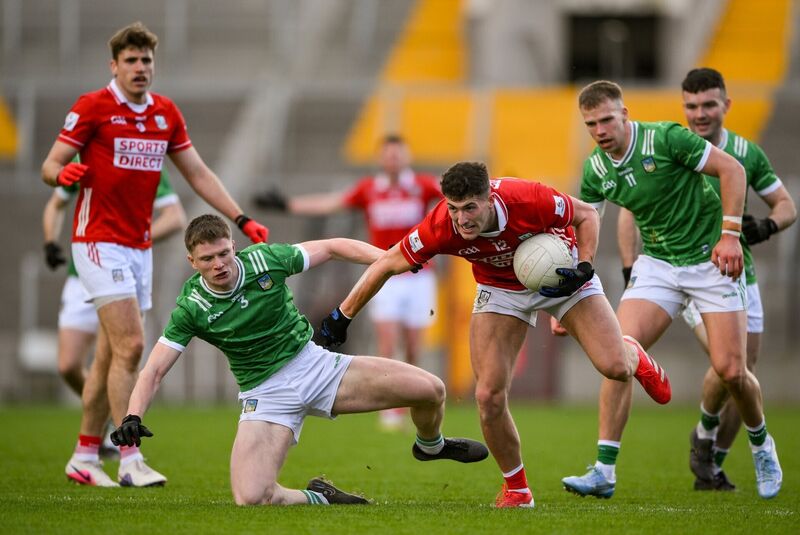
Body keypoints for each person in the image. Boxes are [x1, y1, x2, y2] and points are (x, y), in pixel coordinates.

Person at [316, 161, 672, 508]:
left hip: (563, 275)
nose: (462, 218)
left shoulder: (527, 198)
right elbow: (387, 264)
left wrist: (585, 265)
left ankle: (631, 352)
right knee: (487, 395)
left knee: (615, 368)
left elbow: (587, 215)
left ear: (490, 198)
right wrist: (342, 316)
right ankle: (517, 489)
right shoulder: (441, 224)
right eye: (454, 208)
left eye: (470, 207)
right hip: (499, 291)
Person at [110, 214, 488, 506]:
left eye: (224, 253)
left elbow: (334, 246)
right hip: (265, 395)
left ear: (234, 247)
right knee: (251, 497)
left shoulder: (266, 260)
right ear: (193, 261)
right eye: (207, 259)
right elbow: (155, 368)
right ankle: (322, 497)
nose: (219, 264)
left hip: (315, 366)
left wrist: (391, 259)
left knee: (431, 390)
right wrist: (133, 416)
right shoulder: (191, 308)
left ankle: (431, 445)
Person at [40, 22, 269, 488]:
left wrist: (242, 219)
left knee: (109, 355)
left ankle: (84, 456)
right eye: (131, 60)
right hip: (97, 243)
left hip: (138, 247)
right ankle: (129, 458)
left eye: (146, 60)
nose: (141, 68)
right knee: (132, 346)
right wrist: (62, 178)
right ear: (114, 66)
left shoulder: (165, 113)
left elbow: (198, 173)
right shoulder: (93, 107)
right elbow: (51, 164)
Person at [561, 80, 782, 500]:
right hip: (659, 266)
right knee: (617, 354)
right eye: (591, 124)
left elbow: (732, 170)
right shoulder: (595, 170)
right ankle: (604, 471)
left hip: (709, 263)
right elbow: (587, 222)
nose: (601, 130)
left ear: (625, 114)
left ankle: (762, 448)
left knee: (732, 370)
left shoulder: (666, 137)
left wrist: (731, 236)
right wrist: (575, 289)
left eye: (607, 119)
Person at [661, 68, 795, 491]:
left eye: (708, 104)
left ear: (726, 105)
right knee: (728, 365)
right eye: (691, 106)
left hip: (739, 275)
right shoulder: (670, 149)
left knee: (742, 371)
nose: (699, 114)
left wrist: (768, 227)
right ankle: (704, 438)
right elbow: (631, 210)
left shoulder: (746, 153)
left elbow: (786, 206)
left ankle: (711, 461)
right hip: (687, 272)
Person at [254, 134, 442, 429]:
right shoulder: (369, 190)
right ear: (382, 159)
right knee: (388, 341)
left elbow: (455, 197)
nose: (393, 159)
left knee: (413, 345)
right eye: (388, 154)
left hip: (420, 275)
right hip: (385, 274)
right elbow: (331, 204)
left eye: (398, 154)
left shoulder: (422, 185)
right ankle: (392, 408)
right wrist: (288, 205)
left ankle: (413, 397)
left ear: (406, 157)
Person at [42, 167, 186, 399]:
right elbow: (55, 203)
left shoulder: (145, 156)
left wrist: (131, 239)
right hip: (82, 273)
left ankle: (117, 427)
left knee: (117, 356)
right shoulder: (83, 155)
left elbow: (175, 217)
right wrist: (49, 241)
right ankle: (105, 414)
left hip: (121, 276)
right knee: (68, 365)